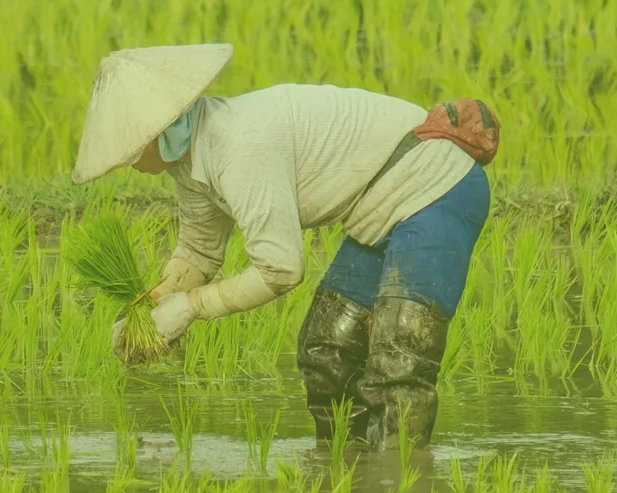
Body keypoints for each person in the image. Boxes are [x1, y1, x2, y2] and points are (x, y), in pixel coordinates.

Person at [73, 43, 492, 452]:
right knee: (327, 349)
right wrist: (147, 312)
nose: (127, 159)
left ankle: (403, 482)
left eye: (129, 145)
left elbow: (281, 270)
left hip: (435, 187)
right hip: (377, 211)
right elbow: (198, 252)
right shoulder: (189, 160)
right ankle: (344, 476)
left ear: (156, 131)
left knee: (399, 358)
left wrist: (189, 308)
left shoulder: (237, 147)